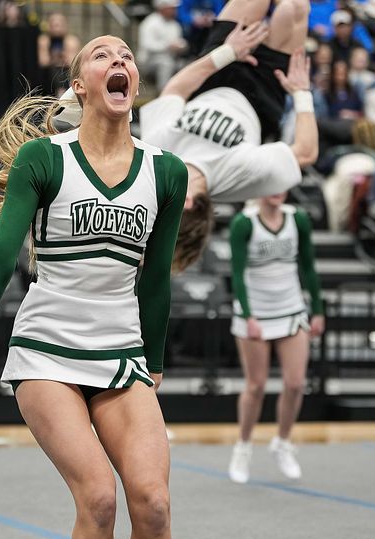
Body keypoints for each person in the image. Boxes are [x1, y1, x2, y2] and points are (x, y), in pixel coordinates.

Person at [0, 35, 187, 539]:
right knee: (99, 498)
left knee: (154, 504)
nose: (119, 59)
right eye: (102, 55)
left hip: (121, 353)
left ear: (135, 84)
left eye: (126, 55)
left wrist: (154, 362)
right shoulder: (46, 157)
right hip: (47, 350)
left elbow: (156, 279)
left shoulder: (166, 171)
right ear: (79, 86)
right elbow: (1, 255)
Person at [140, 0, 319, 271]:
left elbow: (174, 90)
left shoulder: (156, 159)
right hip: (261, 94)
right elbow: (306, 153)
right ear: (187, 202)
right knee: (294, 8)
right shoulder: (236, 178)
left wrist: (227, 53)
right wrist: (302, 93)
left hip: (212, 76)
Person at [227, 192, 324, 483]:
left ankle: (283, 441)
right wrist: (248, 315)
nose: (277, 191)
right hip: (256, 312)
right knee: (256, 385)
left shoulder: (298, 218)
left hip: (291, 309)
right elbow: (237, 272)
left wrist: (317, 310)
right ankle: (243, 446)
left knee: (295, 384)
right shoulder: (244, 223)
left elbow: (308, 265)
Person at [137, 0, 188, 93]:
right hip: (149, 61)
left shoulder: (175, 24)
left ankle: (182, 94)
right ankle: (163, 94)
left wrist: (182, 46)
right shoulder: (150, 22)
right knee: (165, 63)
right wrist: (168, 46)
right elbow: (147, 45)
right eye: (171, 8)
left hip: (172, 58)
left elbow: (180, 42)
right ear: (162, 8)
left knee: (185, 64)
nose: (174, 10)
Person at [38, 13, 81, 96]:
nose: (56, 29)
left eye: (59, 25)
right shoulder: (44, 40)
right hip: (48, 78)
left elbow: (72, 63)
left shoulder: (71, 41)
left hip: (67, 77)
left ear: (65, 26)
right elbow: (43, 62)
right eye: (53, 25)